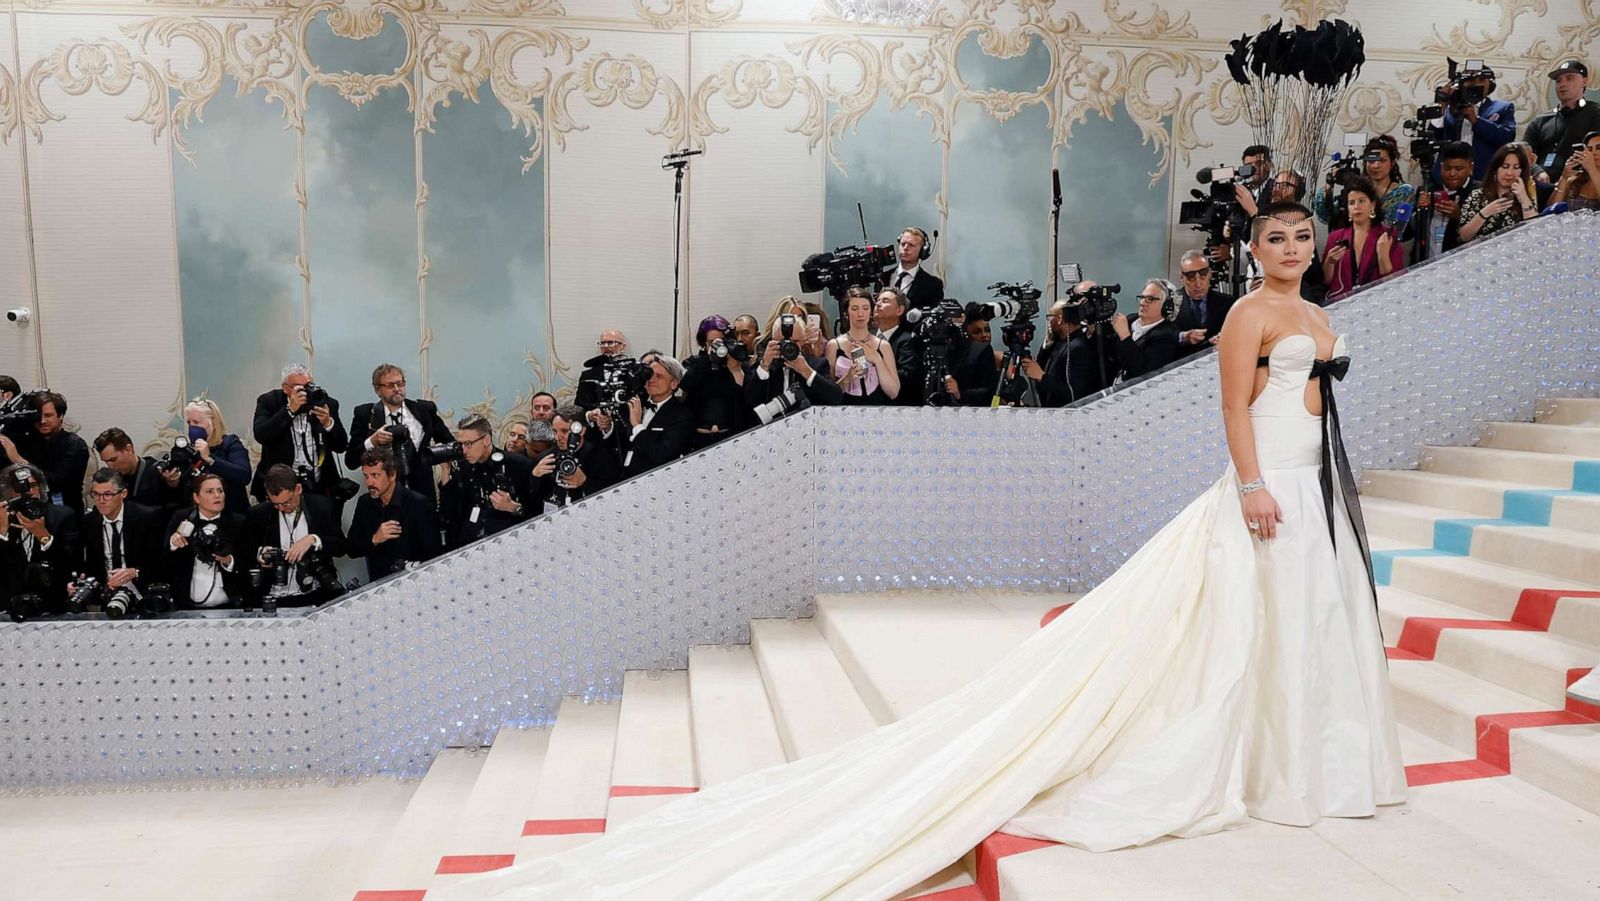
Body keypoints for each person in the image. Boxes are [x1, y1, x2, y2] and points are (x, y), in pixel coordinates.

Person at [434, 201, 1404, 900]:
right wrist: (1249, 484)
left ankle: (1302, 757)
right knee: (1243, 619)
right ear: (1251, 247)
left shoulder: (1319, 316)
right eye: (1271, 236)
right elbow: (1233, 406)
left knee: (1305, 617)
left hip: (1317, 480)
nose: (1288, 248)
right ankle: (1250, 753)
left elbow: (1322, 405)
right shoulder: (1247, 316)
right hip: (1263, 482)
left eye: (1300, 235)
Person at [345, 364, 454, 507]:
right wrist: (372, 441)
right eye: (390, 385)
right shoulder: (365, 415)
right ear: (378, 390)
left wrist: (435, 459)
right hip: (385, 498)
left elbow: (449, 443)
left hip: (423, 494)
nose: (397, 389)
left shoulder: (424, 410)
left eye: (400, 383)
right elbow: (351, 461)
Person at [245, 464, 347, 608]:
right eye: (275, 504)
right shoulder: (258, 514)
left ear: (298, 489)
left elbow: (341, 546)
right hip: (273, 597)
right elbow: (245, 551)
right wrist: (260, 554)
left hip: (316, 594)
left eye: (286, 502)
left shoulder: (321, 506)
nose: (281, 508)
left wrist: (314, 540)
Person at [251, 363, 349, 503]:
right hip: (280, 486)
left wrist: (328, 423)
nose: (305, 392)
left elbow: (341, 446)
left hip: (319, 485)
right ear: (285, 388)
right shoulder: (269, 402)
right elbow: (261, 434)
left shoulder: (325, 403)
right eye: (299, 388)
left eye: (308, 386)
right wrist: (289, 411)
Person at [438, 415, 537, 550]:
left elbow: (537, 514)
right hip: (467, 544)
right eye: (461, 444)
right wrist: (445, 472)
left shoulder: (518, 465)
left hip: (507, 543)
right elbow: (447, 514)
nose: (464, 450)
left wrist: (514, 507)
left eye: (468, 444)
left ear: (486, 440)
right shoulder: (461, 467)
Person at [347, 448, 440, 582]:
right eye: (366, 476)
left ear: (392, 475)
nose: (369, 483)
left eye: (375, 475)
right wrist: (374, 539)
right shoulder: (365, 503)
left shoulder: (419, 504)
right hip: (379, 585)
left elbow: (433, 555)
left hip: (414, 582)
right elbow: (351, 549)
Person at [0, 463, 80, 614]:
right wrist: (2, 533)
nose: (29, 492)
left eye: (33, 485)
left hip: (52, 606)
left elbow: (71, 563)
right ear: (9, 492)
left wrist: (43, 536)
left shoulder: (62, 516)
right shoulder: (3, 519)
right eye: (21, 486)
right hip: (8, 608)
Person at [164, 472, 247, 609]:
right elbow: (165, 563)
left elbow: (247, 562)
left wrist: (228, 561)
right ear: (196, 497)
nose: (217, 495)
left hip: (228, 605)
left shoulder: (238, 522)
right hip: (186, 605)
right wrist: (173, 544)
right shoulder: (181, 518)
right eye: (210, 491)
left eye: (220, 491)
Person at [0, 390, 90, 514]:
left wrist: (19, 461)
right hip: (29, 511)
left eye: (48, 416)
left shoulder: (75, 445)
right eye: (38, 416)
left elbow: (58, 482)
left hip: (64, 513)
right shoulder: (28, 440)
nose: (42, 421)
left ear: (61, 416)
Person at [80, 468, 164, 598]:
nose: (101, 500)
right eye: (96, 494)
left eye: (107, 494)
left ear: (123, 493)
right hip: (105, 593)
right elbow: (89, 565)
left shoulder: (146, 518)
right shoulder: (89, 522)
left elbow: (160, 563)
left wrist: (134, 572)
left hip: (142, 591)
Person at [1322, 177, 1406, 301]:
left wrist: (1383, 256)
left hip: (1378, 301)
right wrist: (1329, 262)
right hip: (1342, 302)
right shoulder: (1335, 237)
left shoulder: (1388, 234)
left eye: (1362, 201)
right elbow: (1326, 281)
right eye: (1352, 203)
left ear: (1372, 205)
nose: (1357, 206)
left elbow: (1395, 282)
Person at [1313, 135, 1416, 230]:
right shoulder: (1356, 191)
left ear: (1392, 163)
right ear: (1365, 163)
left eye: (1382, 160)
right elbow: (1326, 216)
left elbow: (1394, 226)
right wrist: (1329, 186)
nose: (1376, 166)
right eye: (1371, 161)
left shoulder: (1404, 192)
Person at [679, 315, 749, 449]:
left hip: (730, 437)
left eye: (721, 342)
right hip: (698, 439)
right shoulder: (693, 363)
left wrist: (735, 369)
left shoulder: (737, 364)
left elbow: (745, 397)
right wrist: (709, 359)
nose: (717, 346)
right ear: (704, 343)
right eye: (712, 342)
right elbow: (686, 384)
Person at [620, 352, 694, 479]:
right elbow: (619, 442)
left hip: (657, 481)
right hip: (623, 480)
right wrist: (607, 427)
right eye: (649, 375)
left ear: (674, 384)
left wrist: (637, 426)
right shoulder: (635, 404)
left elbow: (661, 454)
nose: (651, 380)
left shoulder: (682, 415)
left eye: (659, 376)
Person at [1434, 66, 1515, 180]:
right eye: (1470, 80)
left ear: (1490, 84)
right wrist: (1441, 106)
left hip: (1484, 176)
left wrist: (1477, 121)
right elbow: (1434, 138)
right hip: (1449, 178)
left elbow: (1507, 138)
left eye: (1481, 80)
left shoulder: (1503, 108)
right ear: (1462, 84)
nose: (1476, 85)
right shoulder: (1448, 110)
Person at [533, 405, 621, 509]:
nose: (557, 437)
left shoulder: (601, 456)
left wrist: (585, 482)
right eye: (555, 431)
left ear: (582, 430)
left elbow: (615, 495)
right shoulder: (546, 459)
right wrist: (535, 476)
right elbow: (535, 500)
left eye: (565, 431)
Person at [1526, 60, 1600, 179]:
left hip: (1580, 186)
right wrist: (1537, 172)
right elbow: (1525, 153)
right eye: (1558, 80)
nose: (1562, 84)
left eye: (1569, 78)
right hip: (1541, 186)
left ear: (1584, 81)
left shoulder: (1596, 113)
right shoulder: (1540, 121)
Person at [827, 287, 901, 405]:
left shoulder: (883, 346)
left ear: (871, 311)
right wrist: (847, 377)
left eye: (865, 308)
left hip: (875, 412)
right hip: (843, 412)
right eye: (855, 309)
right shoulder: (834, 346)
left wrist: (876, 359)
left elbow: (893, 392)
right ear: (846, 313)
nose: (860, 314)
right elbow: (827, 393)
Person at [183, 399, 253, 517]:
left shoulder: (230, 443)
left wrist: (209, 458)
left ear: (213, 423)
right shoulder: (189, 451)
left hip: (232, 515)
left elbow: (243, 476)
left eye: (196, 422)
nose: (191, 428)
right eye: (189, 423)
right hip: (199, 518)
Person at [1458, 143, 1539, 242]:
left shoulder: (1525, 196)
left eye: (1516, 167)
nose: (1509, 173)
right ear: (1495, 169)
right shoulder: (1478, 195)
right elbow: (1463, 237)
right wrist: (1484, 213)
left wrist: (1524, 198)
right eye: (1505, 166)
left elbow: (1535, 233)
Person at [1414, 141, 1479, 261]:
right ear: (1441, 166)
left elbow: (1485, 236)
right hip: (1425, 266)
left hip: (1461, 265)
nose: (1452, 174)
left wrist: (1460, 216)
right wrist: (1418, 212)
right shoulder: (1427, 190)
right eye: (1448, 168)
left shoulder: (1479, 193)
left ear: (1471, 168)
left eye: (1459, 168)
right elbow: (1407, 234)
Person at [92, 427, 175, 513]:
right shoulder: (112, 479)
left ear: (129, 449)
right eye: (106, 461)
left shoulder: (157, 473)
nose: (110, 466)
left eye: (113, 460)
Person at [1112, 280, 1182, 379]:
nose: (1142, 303)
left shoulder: (1166, 335)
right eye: (1142, 297)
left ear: (1166, 307)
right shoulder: (1130, 319)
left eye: (1150, 299)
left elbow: (1143, 372)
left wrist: (1125, 336)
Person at [1174, 250, 1233, 355]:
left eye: (1203, 277)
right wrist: (1183, 337)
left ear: (1210, 274)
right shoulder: (1170, 303)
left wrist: (1224, 339)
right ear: (1181, 278)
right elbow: (1160, 336)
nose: (1198, 284)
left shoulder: (1228, 303)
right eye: (1191, 278)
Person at [873, 287, 923, 406]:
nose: (878, 304)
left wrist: (874, 373)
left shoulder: (908, 340)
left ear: (899, 310)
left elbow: (908, 375)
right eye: (877, 300)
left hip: (897, 407)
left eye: (885, 301)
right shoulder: (866, 338)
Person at [886, 227, 944, 312]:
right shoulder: (883, 277)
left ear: (922, 251)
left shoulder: (933, 284)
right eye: (903, 244)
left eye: (911, 245)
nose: (905, 248)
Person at [1549, 130, 1600, 211]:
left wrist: (1592, 169)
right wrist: (1564, 177)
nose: (1593, 153)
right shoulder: (1575, 180)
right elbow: (1551, 210)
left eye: (1599, 148)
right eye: (1589, 149)